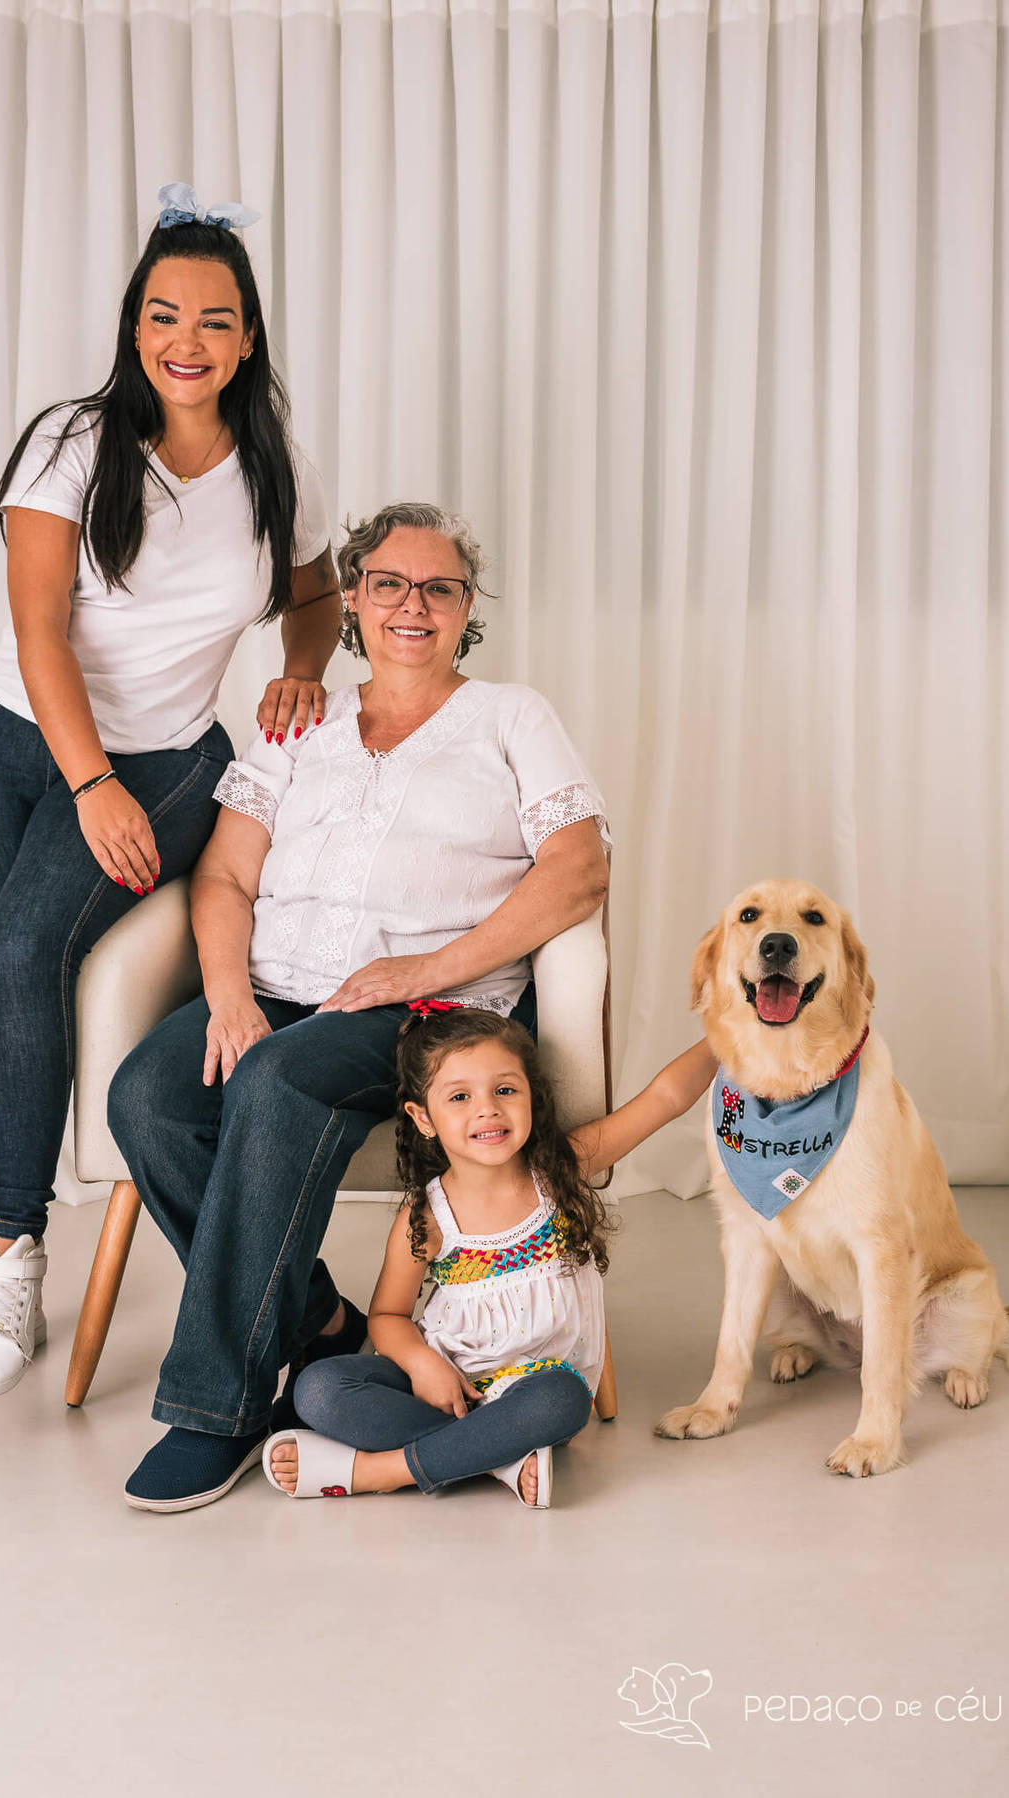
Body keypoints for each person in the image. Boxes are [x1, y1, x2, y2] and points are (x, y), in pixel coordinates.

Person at [109, 501, 613, 1512]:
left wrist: (427, 967)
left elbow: (579, 873)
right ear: (352, 598)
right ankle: (319, 1326)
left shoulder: (512, 716)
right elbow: (223, 881)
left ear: (468, 608)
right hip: (270, 988)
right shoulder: (301, 723)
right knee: (149, 1096)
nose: (412, 604)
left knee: (279, 1079)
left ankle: (221, 1407)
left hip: (431, 1014)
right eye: (388, 583)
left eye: (439, 587)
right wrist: (223, 995)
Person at [0, 182, 341, 1401]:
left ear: (248, 334)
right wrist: (82, 779)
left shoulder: (276, 467)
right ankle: (8, 1260)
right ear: (134, 322)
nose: (186, 342)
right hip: (3, 745)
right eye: (164, 315)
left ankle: (13, 1249)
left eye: (214, 320)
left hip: (165, 758)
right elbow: (42, 633)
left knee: (20, 957)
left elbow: (313, 595)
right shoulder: (72, 441)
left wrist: (301, 674)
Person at [263, 1007, 717, 1507]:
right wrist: (421, 1365)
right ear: (423, 1119)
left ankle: (382, 1471)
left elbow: (665, 1099)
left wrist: (727, 1032)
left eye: (505, 1090)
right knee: (319, 1389)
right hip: (449, 1379)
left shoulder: (560, 1169)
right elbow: (388, 1316)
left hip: (538, 1385)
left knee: (562, 1405)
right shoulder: (428, 1216)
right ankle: (500, 1459)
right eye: (460, 1097)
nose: (487, 1110)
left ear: (530, 1096)